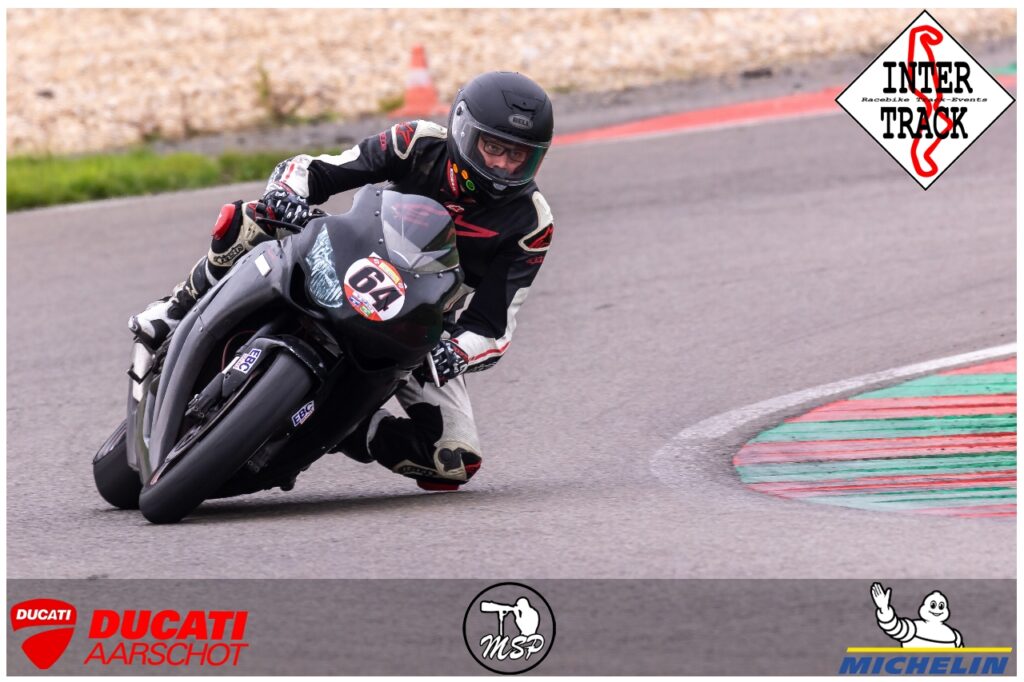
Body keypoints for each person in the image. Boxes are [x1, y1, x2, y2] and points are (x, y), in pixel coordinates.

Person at [128, 71, 555, 491]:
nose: (502, 164)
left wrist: (455, 353)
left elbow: (493, 326)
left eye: (518, 155)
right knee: (254, 216)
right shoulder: (417, 142)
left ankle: (345, 426)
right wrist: (286, 195)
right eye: (493, 147)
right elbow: (319, 169)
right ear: (463, 131)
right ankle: (175, 309)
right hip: (349, 255)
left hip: (419, 323)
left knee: (452, 460)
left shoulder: (531, 223)